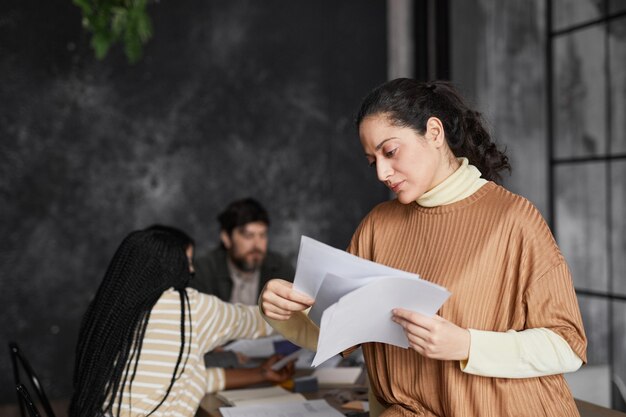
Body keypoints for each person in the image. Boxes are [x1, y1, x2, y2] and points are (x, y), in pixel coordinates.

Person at [259, 78, 587, 417]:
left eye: (390, 152)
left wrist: (466, 345)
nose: (382, 173)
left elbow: (567, 346)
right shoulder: (378, 226)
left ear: (434, 132)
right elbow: (338, 334)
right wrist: (283, 308)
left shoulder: (514, 219)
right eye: (373, 161)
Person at [69, 225, 294, 417]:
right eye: (186, 262)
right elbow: (257, 321)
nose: (192, 270)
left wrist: (260, 374)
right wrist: (300, 306)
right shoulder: (188, 308)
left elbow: (190, 380)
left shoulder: (112, 309)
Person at [192, 198, 295, 305]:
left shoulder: (280, 269)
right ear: (226, 238)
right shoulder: (204, 271)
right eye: (248, 236)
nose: (257, 244)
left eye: (262, 235)